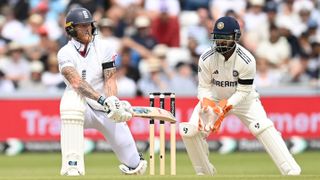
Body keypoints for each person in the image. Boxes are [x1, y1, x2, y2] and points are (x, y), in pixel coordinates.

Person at [179, 16, 301, 176]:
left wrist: (224, 108)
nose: (221, 42)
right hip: (214, 99)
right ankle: (204, 173)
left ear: (235, 37)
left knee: (263, 127)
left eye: (225, 38)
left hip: (245, 101)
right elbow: (203, 87)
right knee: (190, 131)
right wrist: (208, 105)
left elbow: (243, 91)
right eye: (218, 38)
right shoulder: (206, 58)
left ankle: (291, 171)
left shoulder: (247, 59)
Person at [57, 7, 147, 176]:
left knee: (137, 167)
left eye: (89, 25)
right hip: (82, 106)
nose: (87, 29)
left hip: (104, 108)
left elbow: (110, 78)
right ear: (70, 28)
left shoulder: (105, 47)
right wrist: (102, 100)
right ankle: (72, 165)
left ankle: (132, 162)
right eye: (81, 26)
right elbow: (76, 82)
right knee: (70, 103)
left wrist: (113, 101)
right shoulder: (65, 53)